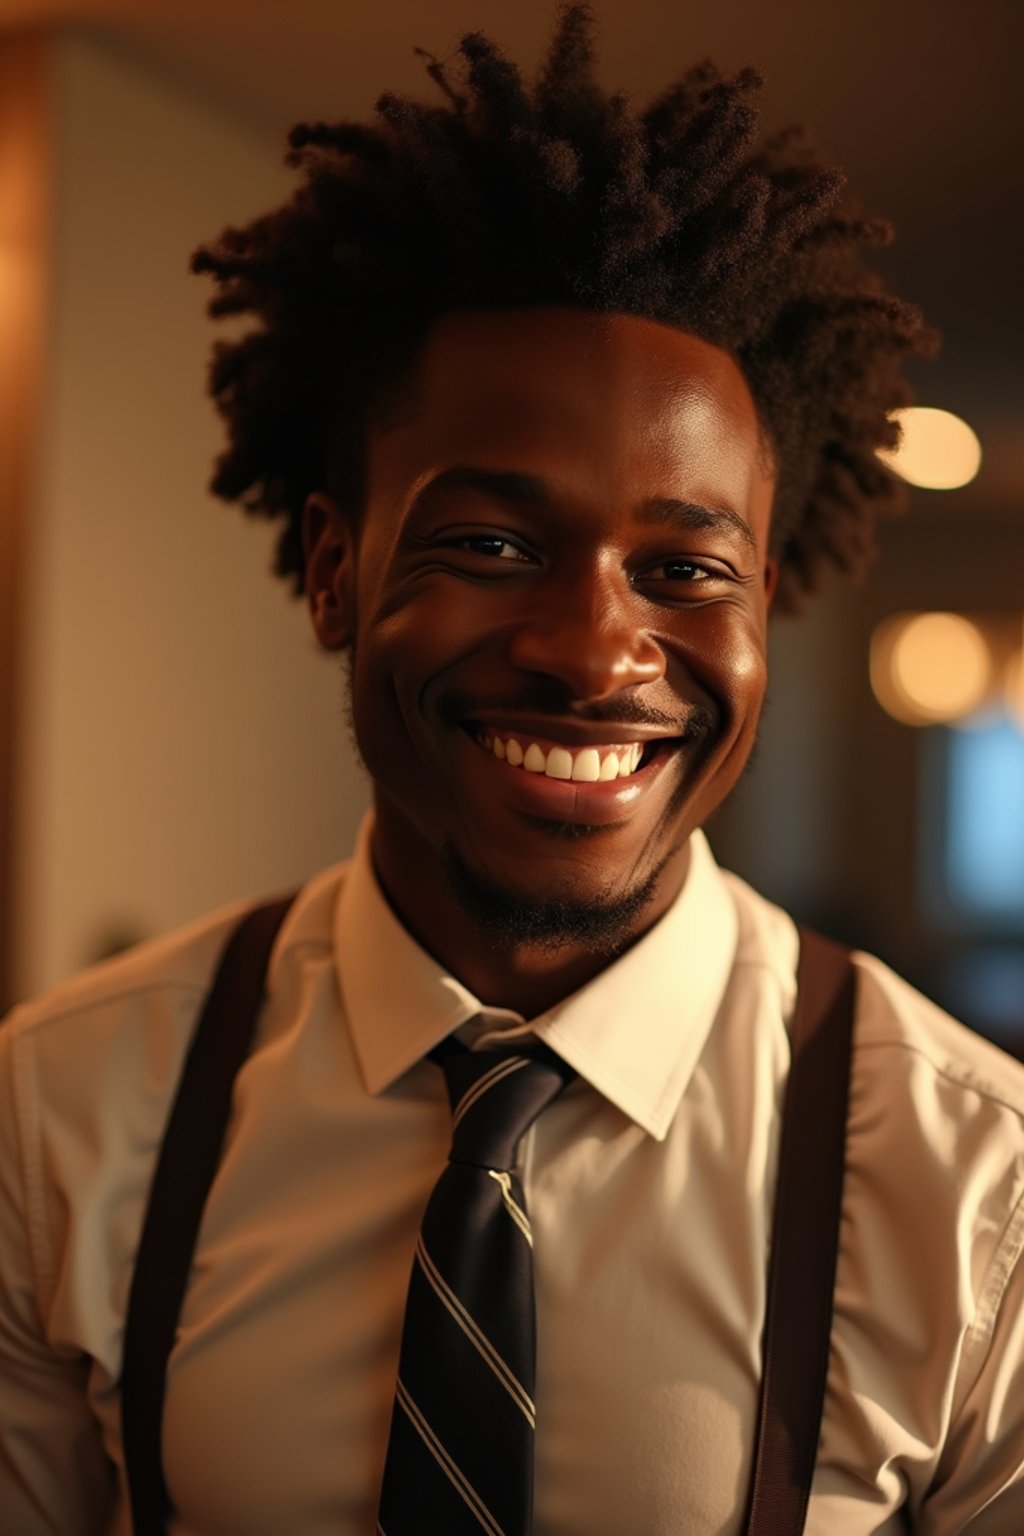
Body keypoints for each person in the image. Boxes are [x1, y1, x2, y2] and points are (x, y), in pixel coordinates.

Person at [2, 6, 1023, 1533]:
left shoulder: (980, 1193)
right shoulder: (62, 1112)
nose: (594, 649)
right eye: (492, 545)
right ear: (336, 572)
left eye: (685, 570)